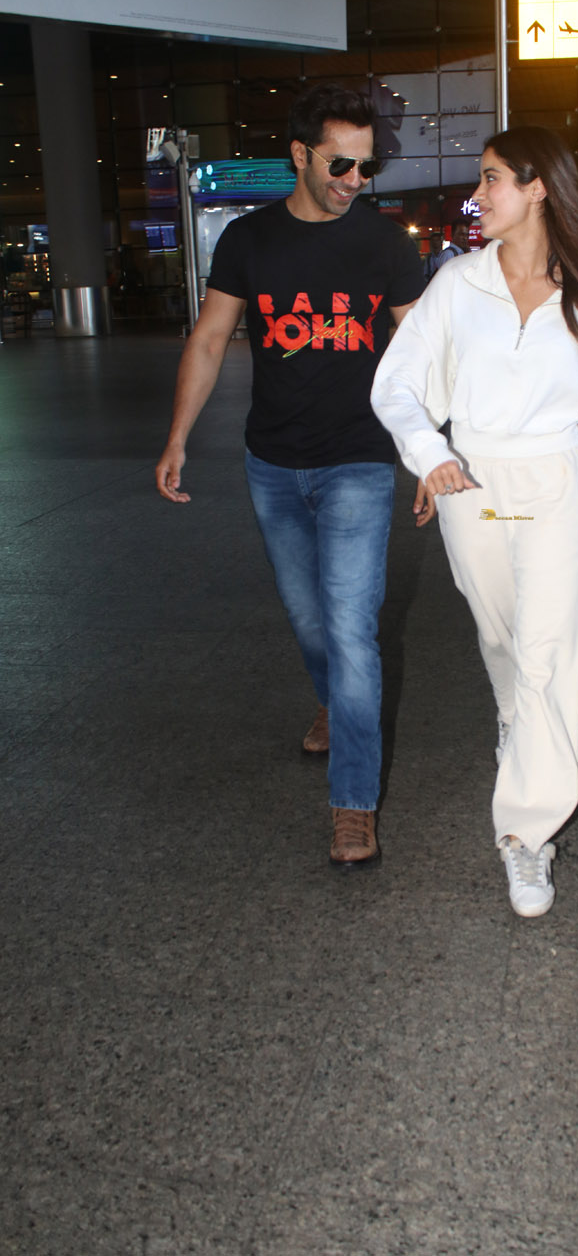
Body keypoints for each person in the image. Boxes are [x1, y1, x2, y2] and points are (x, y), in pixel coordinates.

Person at [371, 126, 578, 918]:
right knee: (502, 639)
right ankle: (516, 724)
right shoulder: (458, 283)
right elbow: (397, 383)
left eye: (492, 178)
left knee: (548, 650)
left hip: (556, 479)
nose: (478, 194)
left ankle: (527, 834)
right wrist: (430, 454)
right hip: (476, 481)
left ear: (538, 189)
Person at [155, 83, 423, 871]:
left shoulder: (385, 245)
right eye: (341, 164)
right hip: (272, 464)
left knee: (350, 628)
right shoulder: (249, 240)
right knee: (310, 623)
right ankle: (334, 704)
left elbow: (420, 355)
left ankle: (353, 804)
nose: (354, 180)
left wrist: (430, 453)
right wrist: (176, 438)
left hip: (359, 460)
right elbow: (210, 340)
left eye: (367, 167)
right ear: (300, 155)